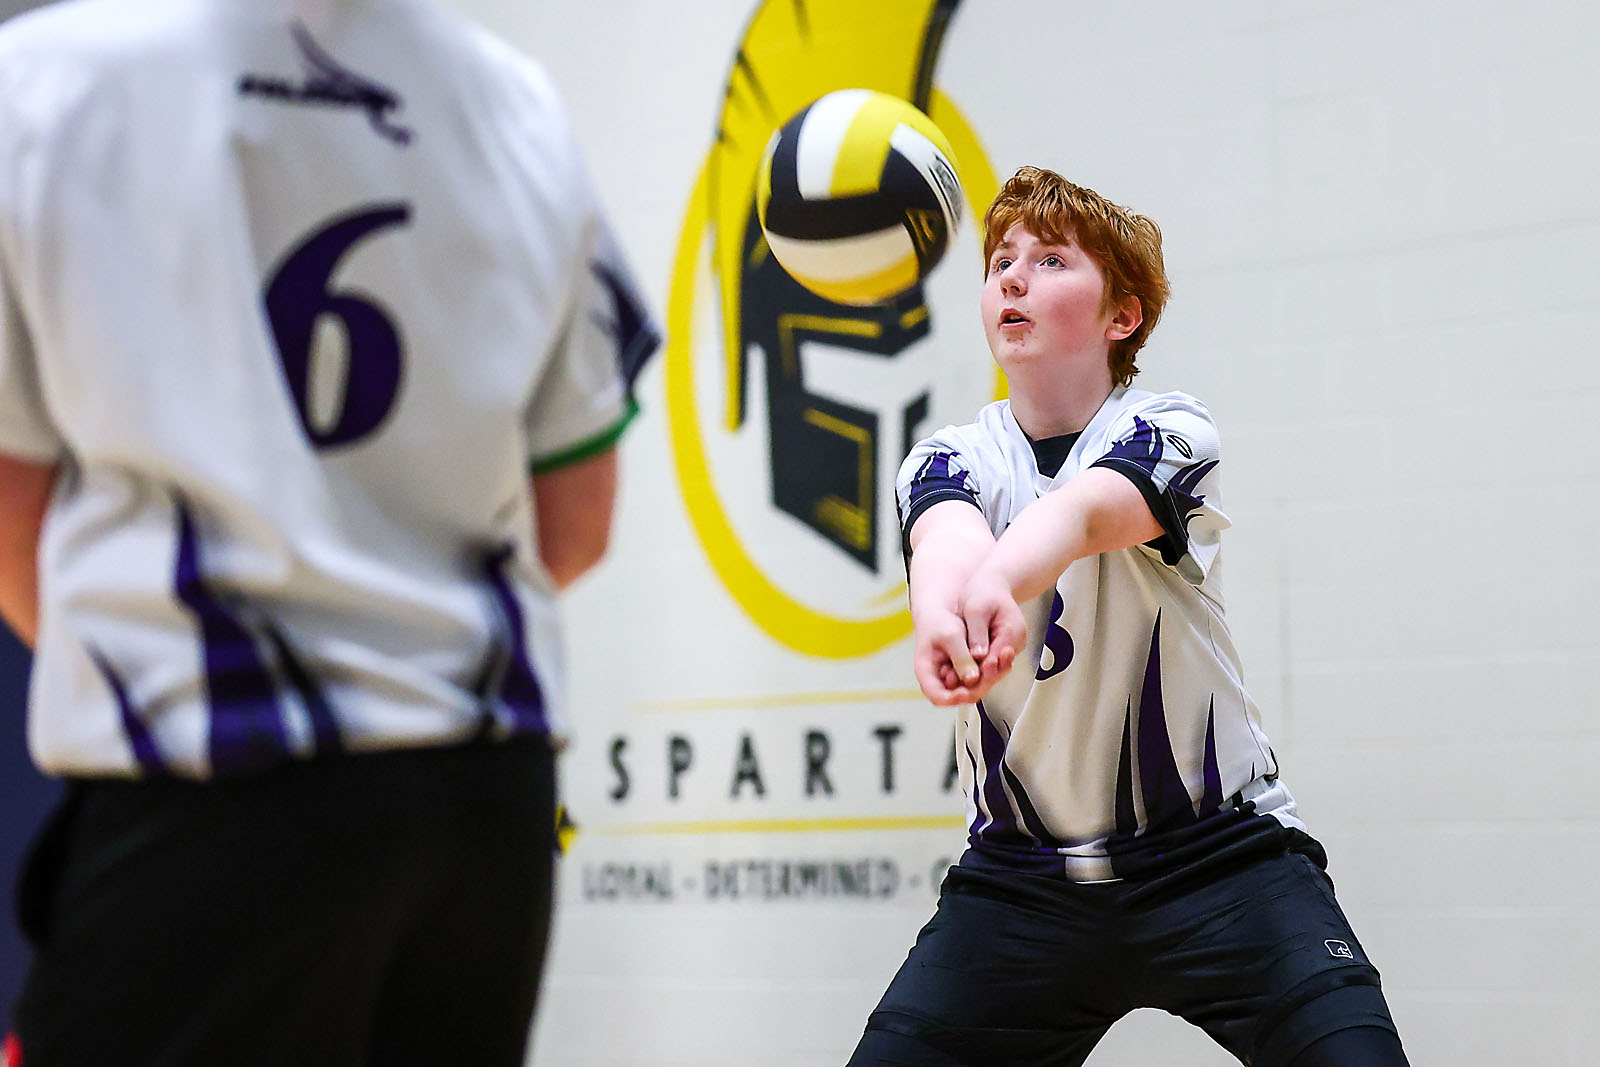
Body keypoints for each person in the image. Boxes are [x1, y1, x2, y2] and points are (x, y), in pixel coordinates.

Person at [0, 0, 657, 1063]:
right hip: (479, 807)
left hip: (210, 781)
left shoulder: (40, 79)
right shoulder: (515, 98)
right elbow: (578, 517)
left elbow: (9, 506)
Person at [849, 167, 1407, 1067]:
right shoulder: (945, 454)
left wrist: (998, 581)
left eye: (1051, 259)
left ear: (1123, 316)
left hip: (1218, 860)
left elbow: (1083, 513)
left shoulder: (1172, 427)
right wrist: (941, 614)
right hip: (1018, 883)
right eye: (1000, 263)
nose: (1013, 279)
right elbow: (942, 541)